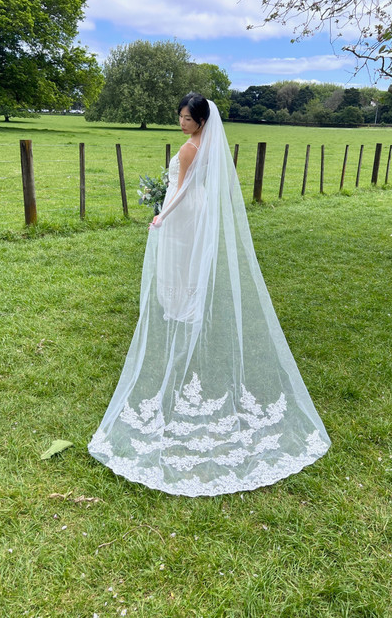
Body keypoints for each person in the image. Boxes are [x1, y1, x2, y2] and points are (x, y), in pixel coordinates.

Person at [88, 93, 330, 497]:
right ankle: (187, 304)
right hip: (200, 210)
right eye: (179, 116)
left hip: (184, 212)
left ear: (201, 120)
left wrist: (162, 214)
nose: (181, 122)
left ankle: (181, 307)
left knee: (177, 264)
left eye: (187, 117)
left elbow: (179, 189)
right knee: (187, 266)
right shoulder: (211, 146)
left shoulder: (188, 149)